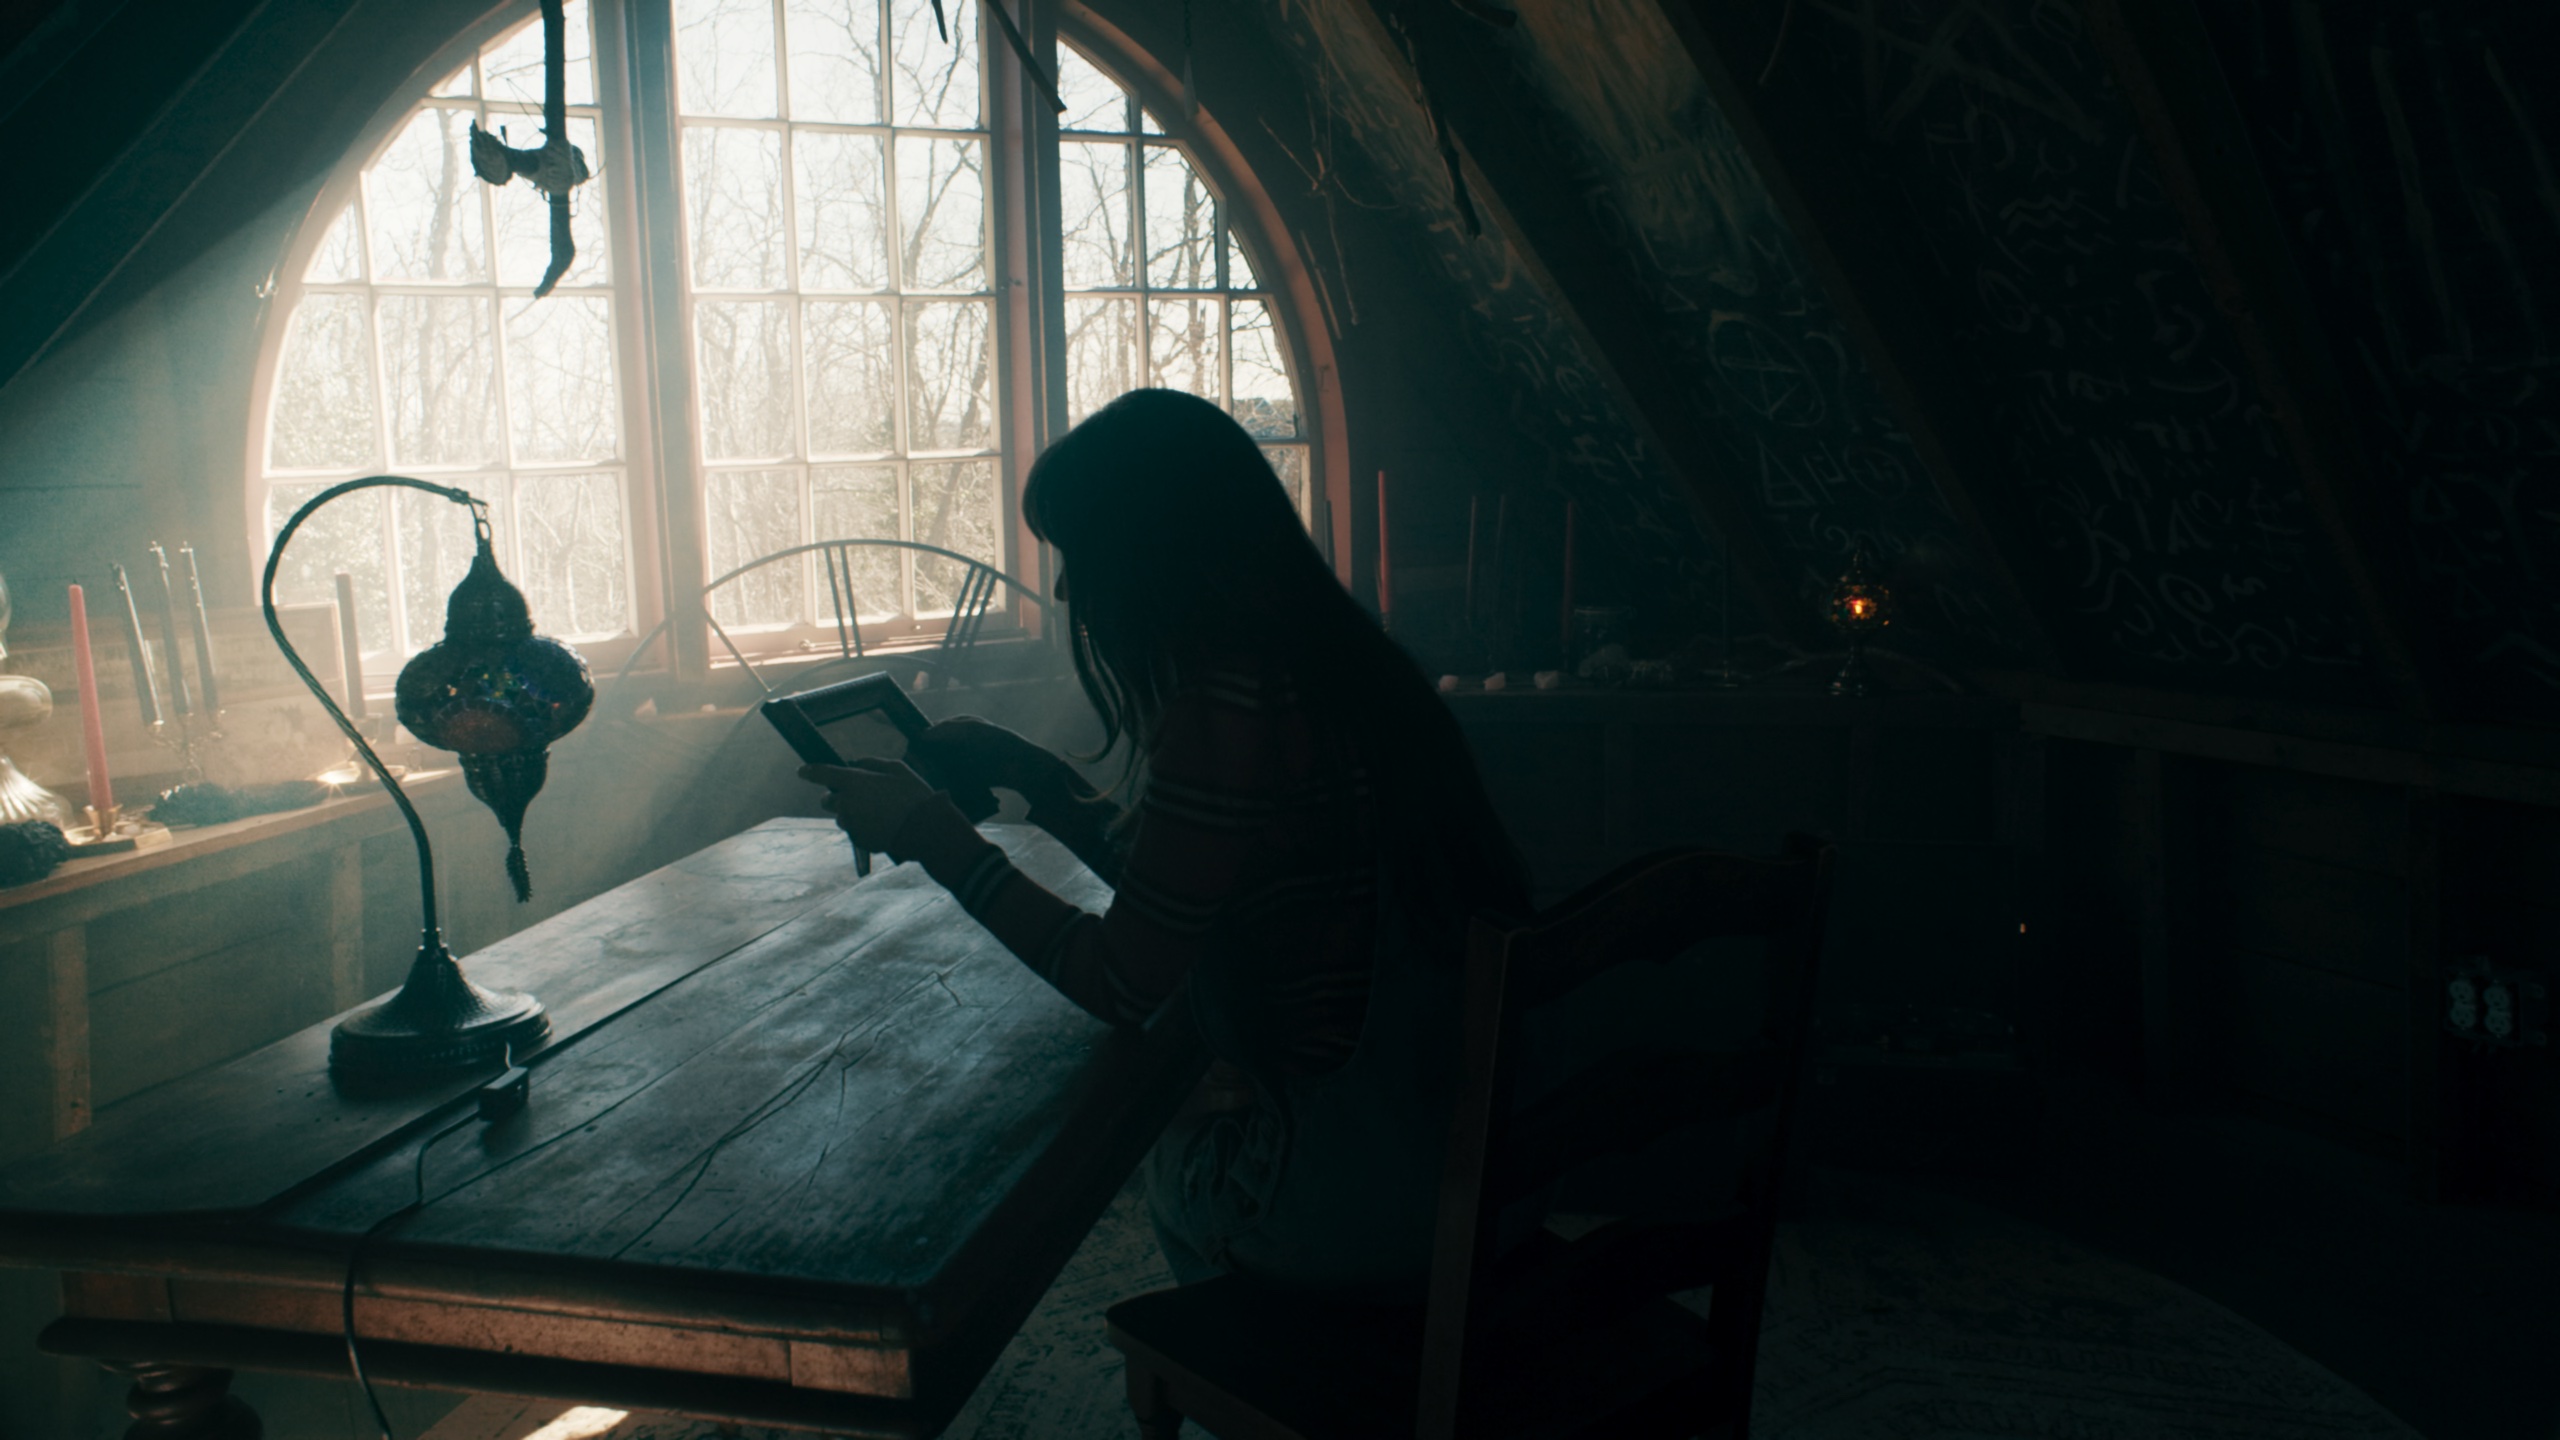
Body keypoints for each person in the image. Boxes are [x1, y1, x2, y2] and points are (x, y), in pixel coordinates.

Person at [800, 388, 1531, 1295]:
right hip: (1450, 1154)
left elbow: (1122, 980)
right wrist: (1039, 776)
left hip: (1340, 1195)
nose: (1068, 589)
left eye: (1081, 555)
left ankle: (1291, 1366)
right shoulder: (1339, 670)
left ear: (1149, 552)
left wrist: (932, 837)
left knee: (1156, 1159)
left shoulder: (1226, 707)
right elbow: (1194, 893)